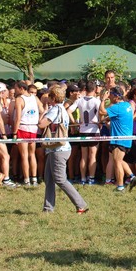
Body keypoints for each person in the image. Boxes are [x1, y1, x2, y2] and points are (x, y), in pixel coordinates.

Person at [38, 86, 88, 214]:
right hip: (55, 149)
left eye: (49, 96)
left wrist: (44, 111)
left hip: (58, 149)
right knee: (49, 179)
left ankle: (81, 204)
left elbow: (41, 124)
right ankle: (48, 208)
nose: (47, 98)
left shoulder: (54, 110)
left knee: (60, 179)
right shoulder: (62, 109)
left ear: (53, 98)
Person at [99, 86, 136, 192]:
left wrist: (102, 99)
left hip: (119, 139)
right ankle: (132, 176)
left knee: (117, 162)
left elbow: (102, 112)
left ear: (116, 97)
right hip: (126, 138)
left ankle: (120, 186)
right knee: (119, 160)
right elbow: (118, 118)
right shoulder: (127, 105)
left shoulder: (117, 107)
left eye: (110, 95)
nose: (109, 97)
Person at [13, 81, 43, 186]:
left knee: (24, 155)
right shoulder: (35, 98)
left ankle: (27, 179)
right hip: (33, 128)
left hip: (23, 127)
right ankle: (34, 178)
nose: (15, 90)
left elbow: (17, 118)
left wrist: (14, 133)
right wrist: (39, 119)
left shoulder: (19, 99)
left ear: (21, 88)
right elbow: (42, 109)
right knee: (32, 154)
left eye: (16, 88)